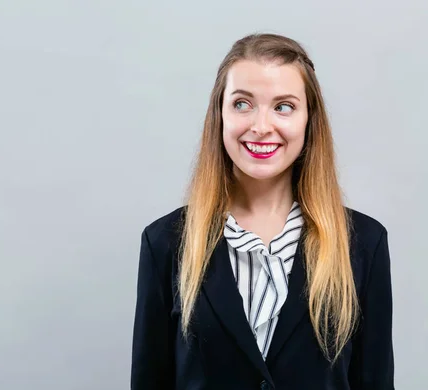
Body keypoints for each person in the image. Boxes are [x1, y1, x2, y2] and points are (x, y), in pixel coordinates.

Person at [130, 33, 394, 390]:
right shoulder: (164, 243)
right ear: (220, 113)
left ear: (308, 120)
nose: (260, 126)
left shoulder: (364, 243)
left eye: (283, 106)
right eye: (242, 104)